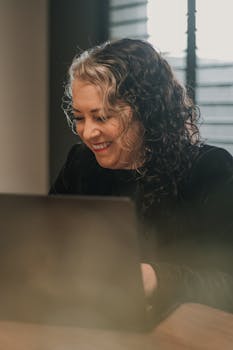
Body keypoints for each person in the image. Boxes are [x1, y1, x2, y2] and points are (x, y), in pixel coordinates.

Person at [50, 38, 233, 322]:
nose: (87, 133)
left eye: (101, 117)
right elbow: (48, 243)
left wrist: (156, 277)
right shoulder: (81, 164)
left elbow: (226, 283)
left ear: (146, 112)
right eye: (79, 117)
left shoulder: (208, 170)